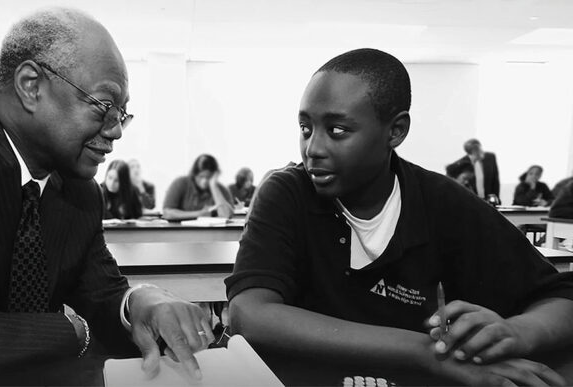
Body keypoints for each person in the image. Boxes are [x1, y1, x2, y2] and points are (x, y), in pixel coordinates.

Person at [0, 8, 214, 385]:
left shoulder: (81, 193)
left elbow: (101, 291)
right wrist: (67, 332)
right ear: (31, 85)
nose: (117, 131)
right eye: (105, 106)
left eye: (123, 113)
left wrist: (139, 302)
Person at [225, 48, 573, 386]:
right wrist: (426, 353)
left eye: (337, 130)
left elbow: (561, 298)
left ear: (396, 131)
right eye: (305, 128)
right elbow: (251, 314)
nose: (313, 148)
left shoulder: (443, 202)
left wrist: (520, 332)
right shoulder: (286, 192)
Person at [163, 154, 233, 220]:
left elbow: (226, 215)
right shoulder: (180, 183)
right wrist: (199, 214)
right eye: (201, 176)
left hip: (210, 232)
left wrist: (213, 186)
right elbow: (167, 213)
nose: (204, 181)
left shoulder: (220, 189)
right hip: (181, 231)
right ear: (194, 174)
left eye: (209, 177)